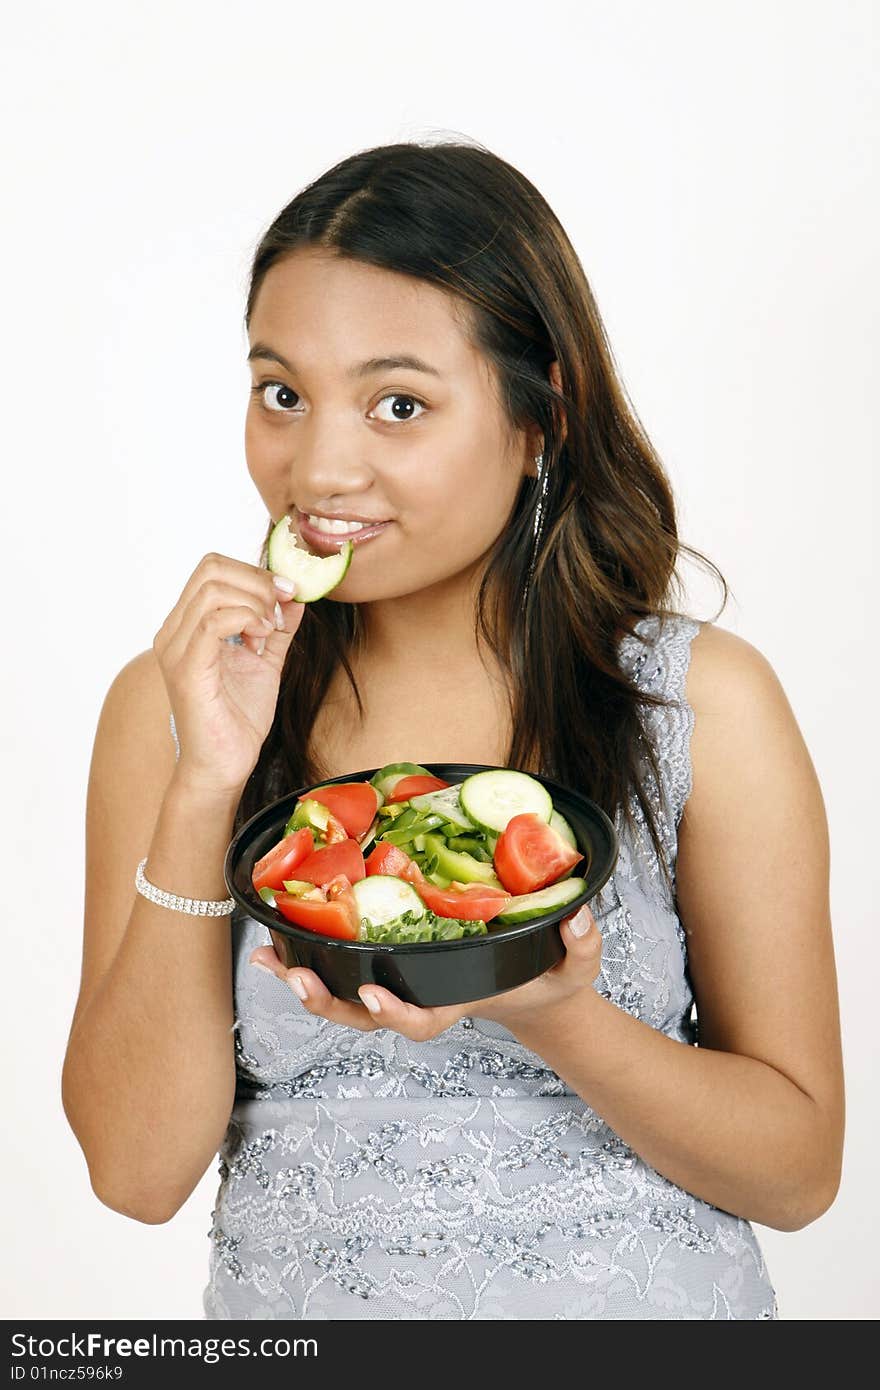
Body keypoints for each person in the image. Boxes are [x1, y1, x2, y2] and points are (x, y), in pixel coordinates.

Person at [61, 139, 844, 1321]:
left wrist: (557, 1012)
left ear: (541, 420)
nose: (318, 466)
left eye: (398, 404)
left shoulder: (698, 702)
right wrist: (202, 787)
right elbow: (134, 1173)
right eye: (282, 392)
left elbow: (798, 1174)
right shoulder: (171, 708)